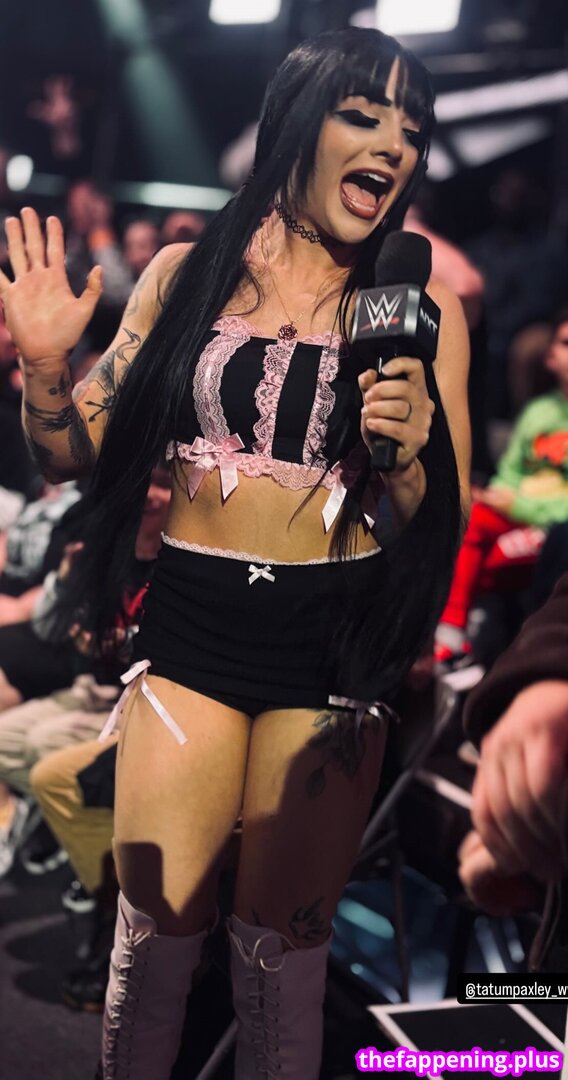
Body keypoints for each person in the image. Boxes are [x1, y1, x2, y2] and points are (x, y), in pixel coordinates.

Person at [0, 27, 470, 1080]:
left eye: (412, 130)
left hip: (331, 654)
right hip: (193, 638)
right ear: (297, 123)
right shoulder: (188, 275)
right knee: (154, 949)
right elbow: (70, 452)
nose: (393, 147)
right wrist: (43, 366)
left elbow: (440, 521)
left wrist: (407, 460)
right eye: (365, 116)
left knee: (278, 969)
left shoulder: (417, 311)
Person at [435, 310, 568, 668]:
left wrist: (519, 506)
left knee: (487, 562)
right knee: (469, 516)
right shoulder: (539, 411)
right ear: (549, 357)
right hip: (514, 513)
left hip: (553, 527)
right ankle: (451, 634)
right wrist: (494, 495)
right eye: (565, 343)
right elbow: (511, 471)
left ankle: (462, 634)